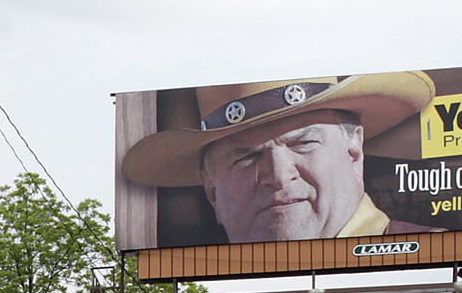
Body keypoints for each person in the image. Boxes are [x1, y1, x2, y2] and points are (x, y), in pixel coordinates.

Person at [122, 73, 443, 244]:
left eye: (303, 143)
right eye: (245, 158)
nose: (278, 174)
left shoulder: (439, 257)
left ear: (353, 151)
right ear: (212, 190)